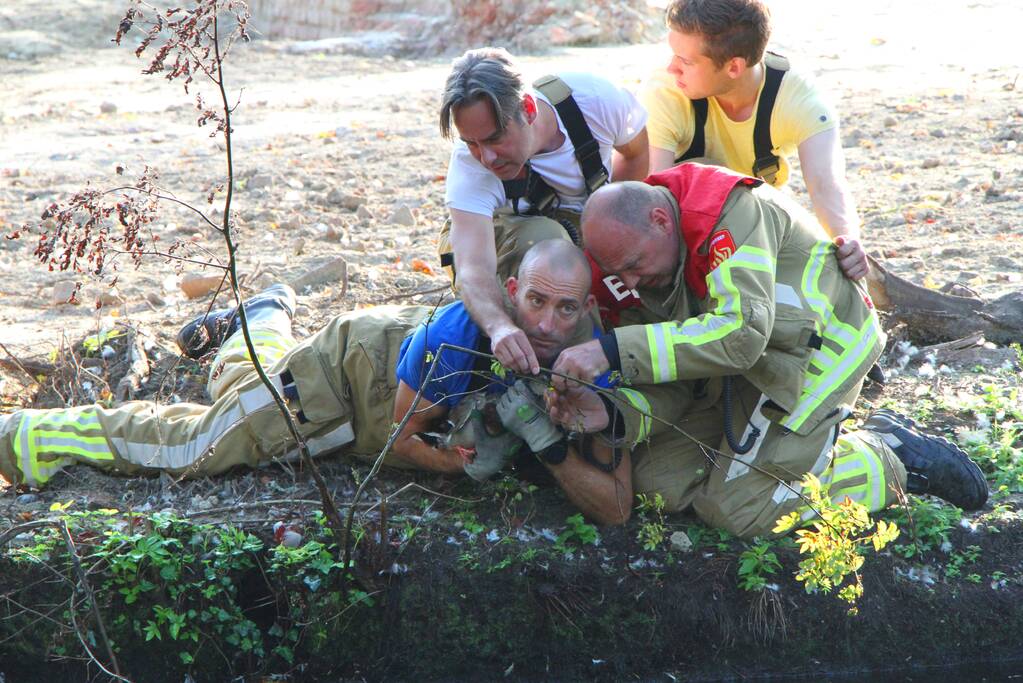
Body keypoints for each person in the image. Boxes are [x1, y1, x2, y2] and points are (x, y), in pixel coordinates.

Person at [0, 241, 654, 525]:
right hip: (342, 383)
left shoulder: (595, 356)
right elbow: (403, 439)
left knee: (240, 404)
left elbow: (614, 506)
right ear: (511, 293)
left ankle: (256, 322)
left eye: (565, 309)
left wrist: (545, 437)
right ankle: (20, 436)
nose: (546, 323)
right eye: (535, 302)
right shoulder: (462, 337)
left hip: (373, 387)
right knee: (198, 445)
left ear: (588, 308)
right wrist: (454, 467)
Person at [551, 163, 988, 538]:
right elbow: (673, 372)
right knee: (656, 481)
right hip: (751, 366)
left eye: (632, 265)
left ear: (661, 221)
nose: (627, 283)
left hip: (824, 348)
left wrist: (610, 348)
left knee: (738, 509)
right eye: (615, 272)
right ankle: (777, 458)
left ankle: (887, 456)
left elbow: (740, 336)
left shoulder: (726, 212)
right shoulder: (639, 264)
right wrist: (616, 415)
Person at [437, 47, 649, 378]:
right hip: (506, 243)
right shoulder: (469, 167)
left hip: (582, 231)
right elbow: (473, 268)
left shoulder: (595, 100)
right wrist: (499, 328)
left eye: (495, 139)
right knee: (549, 244)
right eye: (472, 143)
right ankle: (564, 377)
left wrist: (613, 234)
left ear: (529, 108)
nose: (486, 158)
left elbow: (636, 154)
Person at [642, 0, 868, 279]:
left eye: (685, 61)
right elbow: (657, 197)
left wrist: (847, 241)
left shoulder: (800, 98)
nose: (671, 69)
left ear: (734, 67)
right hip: (684, 223)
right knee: (702, 170)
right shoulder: (666, 90)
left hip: (756, 220)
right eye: (673, 54)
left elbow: (827, 184)